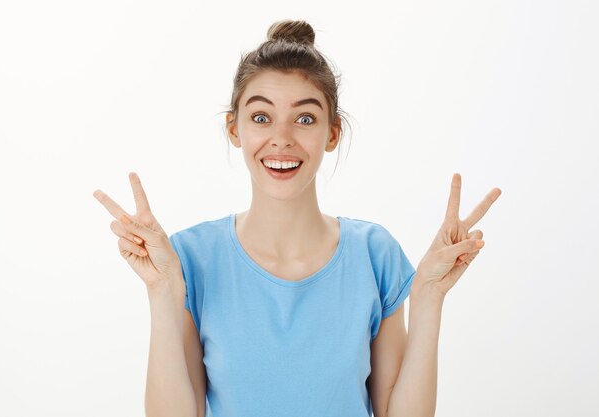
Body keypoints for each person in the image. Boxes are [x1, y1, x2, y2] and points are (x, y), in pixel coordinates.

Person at [93, 19, 501, 417]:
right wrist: (163, 292)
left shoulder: (376, 256)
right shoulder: (190, 258)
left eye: (305, 118)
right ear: (234, 130)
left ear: (332, 132)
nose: (282, 137)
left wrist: (429, 296)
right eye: (261, 117)